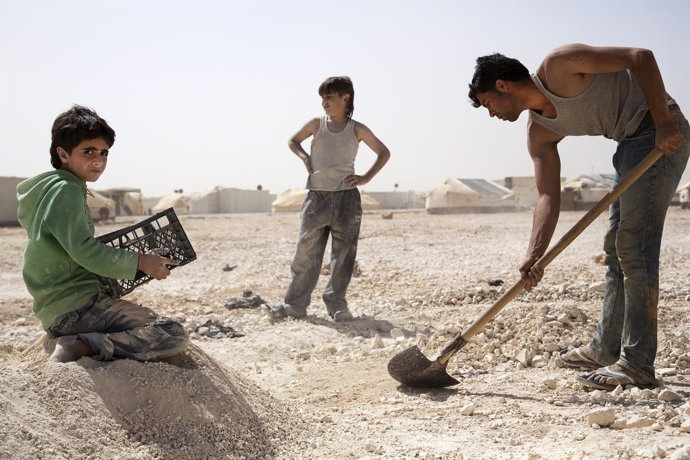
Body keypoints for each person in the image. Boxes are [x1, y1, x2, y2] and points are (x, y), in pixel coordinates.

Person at [468, 44, 689, 391]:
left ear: (502, 85)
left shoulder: (560, 66)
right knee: (616, 248)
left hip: (662, 133)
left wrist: (663, 123)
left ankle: (638, 365)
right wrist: (534, 252)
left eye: (487, 104)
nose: (491, 114)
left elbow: (640, 57)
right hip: (631, 145)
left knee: (635, 248)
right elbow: (547, 195)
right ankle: (605, 349)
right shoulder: (538, 132)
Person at [17, 105, 189, 363]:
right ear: (63, 153)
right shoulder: (67, 190)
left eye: (104, 152)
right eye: (88, 152)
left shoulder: (52, 189)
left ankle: (72, 337)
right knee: (171, 333)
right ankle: (85, 344)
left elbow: (73, 250)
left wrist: (138, 261)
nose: (98, 160)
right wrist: (141, 262)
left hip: (58, 309)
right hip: (78, 309)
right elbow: (84, 249)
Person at [267, 76, 391, 322]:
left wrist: (365, 178)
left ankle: (336, 304)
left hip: (347, 199)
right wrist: (304, 157)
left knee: (343, 255)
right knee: (306, 253)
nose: (324, 103)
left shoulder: (357, 128)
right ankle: (295, 305)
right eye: (322, 98)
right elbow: (293, 141)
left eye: (329, 98)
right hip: (317, 198)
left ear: (345, 98)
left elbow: (383, 152)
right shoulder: (316, 124)